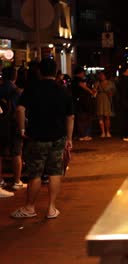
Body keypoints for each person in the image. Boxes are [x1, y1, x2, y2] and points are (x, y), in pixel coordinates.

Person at [11, 58, 74, 219]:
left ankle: (30, 207)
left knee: (35, 174)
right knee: (54, 172)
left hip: (37, 136)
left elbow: (20, 109)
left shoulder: (32, 89)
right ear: (55, 72)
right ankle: (51, 208)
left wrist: (22, 128)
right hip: (58, 137)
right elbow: (70, 117)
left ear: (40, 71)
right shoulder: (63, 90)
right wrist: (69, 138)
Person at [0, 66, 24, 197]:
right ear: (15, 76)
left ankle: (0, 181)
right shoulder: (17, 91)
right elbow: (19, 110)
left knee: (0, 154)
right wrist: (22, 128)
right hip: (13, 125)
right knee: (16, 153)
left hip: (1, 125)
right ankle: (16, 181)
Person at [72, 66, 96, 141]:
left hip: (77, 101)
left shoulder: (73, 80)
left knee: (80, 118)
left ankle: (79, 135)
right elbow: (82, 86)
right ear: (80, 73)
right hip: (81, 102)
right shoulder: (78, 80)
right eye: (83, 73)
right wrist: (91, 91)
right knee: (83, 118)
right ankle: (82, 135)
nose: (84, 74)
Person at [95, 71, 115, 138]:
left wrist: (110, 93)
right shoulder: (97, 83)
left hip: (107, 99)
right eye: (100, 75)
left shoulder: (110, 83)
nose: (101, 76)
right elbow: (94, 91)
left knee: (107, 116)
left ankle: (108, 132)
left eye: (103, 75)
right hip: (100, 99)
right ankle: (103, 132)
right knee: (100, 116)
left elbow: (114, 91)